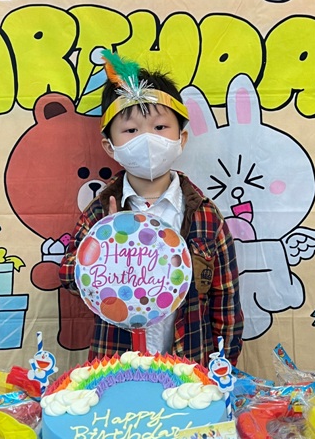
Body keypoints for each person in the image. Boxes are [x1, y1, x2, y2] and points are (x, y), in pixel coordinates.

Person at [59, 50, 243, 366]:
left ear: (181, 138)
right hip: (117, 370)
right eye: (131, 131)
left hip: (189, 371)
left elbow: (225, 301)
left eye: (159, 128)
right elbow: (67, 276)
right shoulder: (101, 213)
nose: (147, 139)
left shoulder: (205, 216)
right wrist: (106, 247)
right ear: (110, 146)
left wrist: (222, 367)